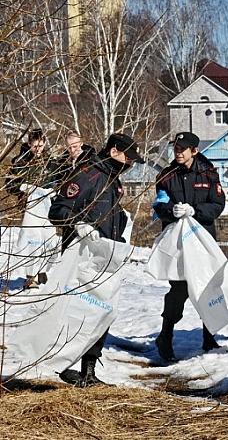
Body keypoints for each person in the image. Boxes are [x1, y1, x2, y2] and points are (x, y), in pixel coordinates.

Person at [48, 132, 144, 387]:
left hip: (104, 258)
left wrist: (119, 243)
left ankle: (88, 372)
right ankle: (64, 365)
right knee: (77, 313)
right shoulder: (87, 175)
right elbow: (57, 211)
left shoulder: (113, 179)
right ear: (114, 152)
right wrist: (78, 224)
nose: (130, 163)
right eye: (128, 158)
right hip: (81, 259)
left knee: (102, 312)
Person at [152, 131, 225, 362]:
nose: (178, 153)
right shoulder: (166, 175)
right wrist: (170, 211)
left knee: (207, 288)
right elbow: (160, 204)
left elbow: (217, 205)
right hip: (179, 243)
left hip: (203, 241)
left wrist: (196, 211)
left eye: (182, 149)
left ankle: (209, 337)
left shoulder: (209, 174)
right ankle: (165, 336)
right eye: (175, 148)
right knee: (179, 290)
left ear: (194, 151)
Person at [7, 128, 58, 288]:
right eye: (35, 146)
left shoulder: (51, 162)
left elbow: (57, 180)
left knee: (47, 239)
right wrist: (22, 189)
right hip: (29, 208)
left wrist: (53, 191)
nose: (38, 149)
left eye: (41, 146)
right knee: (31, 239)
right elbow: (10, 185)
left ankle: (42, 270)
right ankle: (30, 276)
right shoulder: (21, 162)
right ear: (29, 144)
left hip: (47, 207)